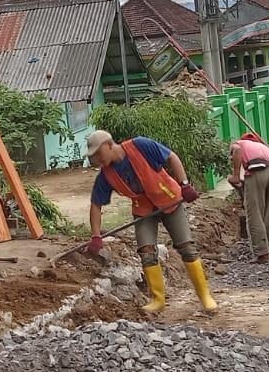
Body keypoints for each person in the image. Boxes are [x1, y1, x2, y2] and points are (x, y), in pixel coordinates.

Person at [83, 130, 216, 314]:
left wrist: (184, 184)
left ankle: (205, 297)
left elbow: (172, 157)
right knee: (146, 252)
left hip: (169, 200)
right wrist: (96, 235)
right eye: (93, 157)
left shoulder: (140, 145)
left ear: (108, 145)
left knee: (186, 247)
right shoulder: (106, 176)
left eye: (98, 153)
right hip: (143, 210)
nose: (97, 159)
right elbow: (96, 205)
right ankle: (158, 300)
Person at [228, 132, 269, 263]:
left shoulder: (239, 144)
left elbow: (237, 150)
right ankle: (268, 247)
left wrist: (234, 176)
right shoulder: (263, 146)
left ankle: (262, 253)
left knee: (254, 213)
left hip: (256, 171)